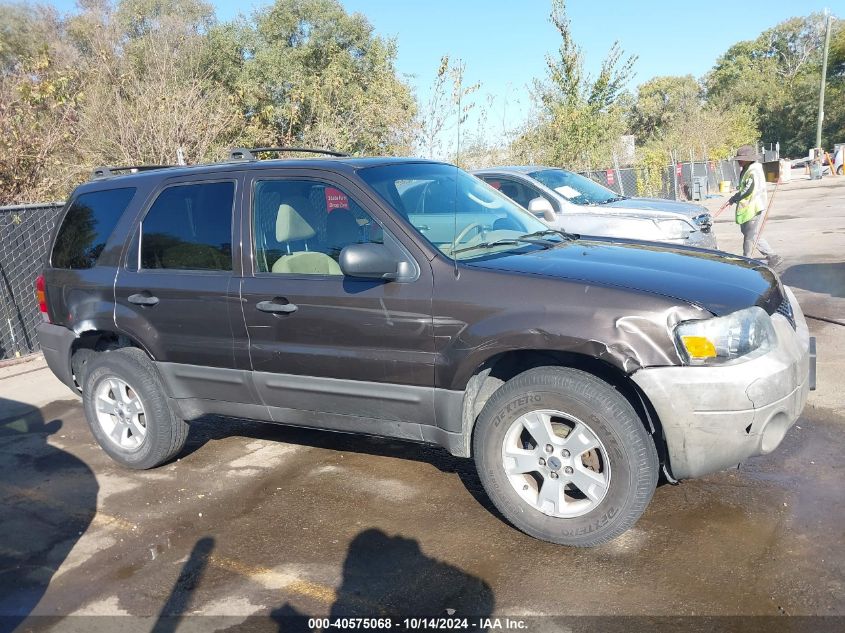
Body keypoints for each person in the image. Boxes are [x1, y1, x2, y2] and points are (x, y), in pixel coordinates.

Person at [719, 145, 782, 270]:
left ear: (748, 159)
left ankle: (747, 260)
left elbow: (748, 189)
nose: (738, 161)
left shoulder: (753, 170)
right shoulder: (748, 168)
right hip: (749, 206)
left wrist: (735, 198)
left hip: (753, 206)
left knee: (749, 235)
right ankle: (772, 256)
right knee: (751, 234)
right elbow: (745, 188)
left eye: (741, 159)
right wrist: (733, 199)